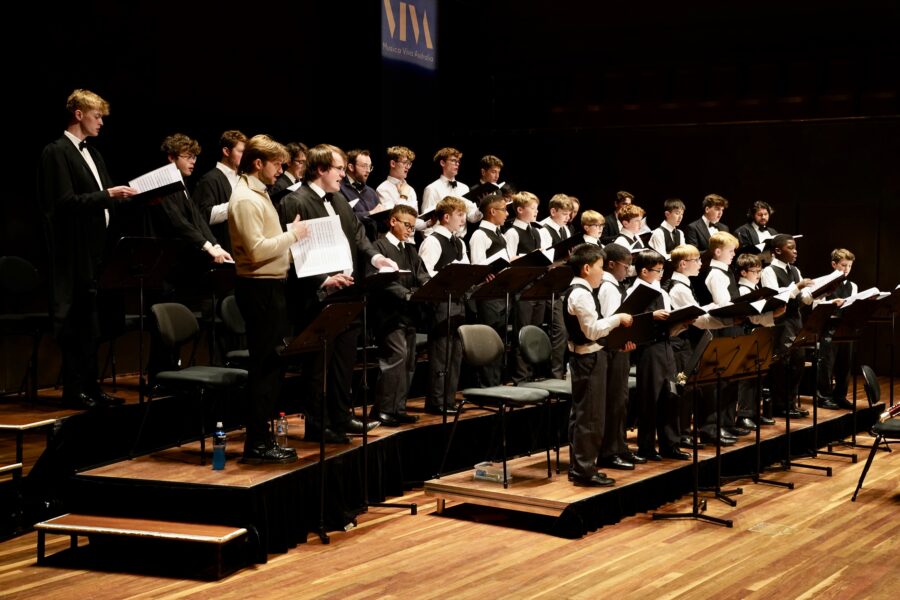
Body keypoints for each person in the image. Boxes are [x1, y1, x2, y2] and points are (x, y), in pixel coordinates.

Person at [281, 144, 397, 442]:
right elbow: (293, 253)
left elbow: (358, 234)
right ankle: (318, 426)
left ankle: (341, 416)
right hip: (317, 296)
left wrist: (376, 258)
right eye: (339, 170)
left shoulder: (340, 200)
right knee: (319, 365)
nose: (343, 176)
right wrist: (324, 279)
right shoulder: (296, 200)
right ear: (320, 169)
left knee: (345, 361)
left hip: (348, 290)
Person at [38, 89, 138, 410]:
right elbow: (63, 203)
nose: (101, 123)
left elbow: (105, 198)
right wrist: (109, 194)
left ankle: (91, 388)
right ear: (79, 114)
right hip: (75, 251)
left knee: (94, 324)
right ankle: (75, 389)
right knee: (79, 323)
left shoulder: (93, 154)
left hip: (100, 250)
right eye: (97, 117)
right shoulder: (56, 152)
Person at [228, 134, 308, 464]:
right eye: (277, 164)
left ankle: (263, 440)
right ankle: (258, 445)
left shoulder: (259, 194)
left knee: (273, 368)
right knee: (265, 370)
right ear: (258, 163)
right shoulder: (246, 199)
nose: (281, 171)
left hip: (272, 288)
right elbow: (257, 249)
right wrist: (293, 235)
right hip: (259, 290)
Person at [563, 243, 634, 487]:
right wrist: (617, 319)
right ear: (586, 268)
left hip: (589, 357)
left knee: (584, 415)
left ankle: (579, 466)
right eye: (600, 268)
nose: (602, 273)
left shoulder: (582, 290)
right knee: (590, 417)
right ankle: (584, 470)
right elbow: (592, 330)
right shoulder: (581, 293)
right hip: (588, 358)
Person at [369, 205, 431, 426]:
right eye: (407, 225)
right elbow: (381, 280)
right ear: (393, 221)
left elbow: (421, 274)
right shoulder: (379, 248)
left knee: (409, 362)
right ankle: (382, 409)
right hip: (388, 314)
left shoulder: (410, 250)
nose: (410, 230)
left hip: (409, 313)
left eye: (413, 227)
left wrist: (427, 287)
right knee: (395, 359)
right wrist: (406, 295)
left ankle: (398, 408)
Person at [627, 249, 690, 461]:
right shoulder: (634, 292)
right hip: (648, 350)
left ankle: (670, 444)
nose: (661, 274)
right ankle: (646, 446)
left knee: (670, 395)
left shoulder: (662, 291)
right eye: (657, 270)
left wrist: (681, 323)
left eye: (663, 269)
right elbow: (629, 322)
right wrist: (651, 316)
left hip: (666, 345)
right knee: (650, 398)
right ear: (644, 270)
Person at [418, 196, 471, 414]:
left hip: (457, 301)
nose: (463, 219)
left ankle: (449, 399)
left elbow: (467, 268)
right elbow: (424, 275)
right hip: (440, 304)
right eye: (459, 215)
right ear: (446, 216)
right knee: (441, 353)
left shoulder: (458, 242)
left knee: (455, 353)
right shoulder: (432, 241)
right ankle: (437, 401)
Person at [596, 243, 642, 469]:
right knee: (614, 401)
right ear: (611, 264)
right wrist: (621, 342)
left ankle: (620, 446)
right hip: (612, 350)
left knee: (621, 400)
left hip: (620, 348)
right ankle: (608, 451)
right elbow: (609, 322)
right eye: (627, 266)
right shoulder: (607, 287)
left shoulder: (615, 285)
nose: (629, 271)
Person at [761, 234, 814, 419]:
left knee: (798, 362)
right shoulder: (768, 271)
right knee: (782, 363)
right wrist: (797, 287)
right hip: (780, 321)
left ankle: (791, 402)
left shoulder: (795, 270)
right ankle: (780, 404)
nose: (795, 251)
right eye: (791, 248)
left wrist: (821, 292)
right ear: (777, 250)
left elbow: (805, 298)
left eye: (795, 248)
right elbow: (776, 299)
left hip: (795, 320)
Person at [468, 193, 511, 386]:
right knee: (489, 339)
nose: (507, 214)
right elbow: (477, 267)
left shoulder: (498, 233)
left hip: (501, 292)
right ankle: (487, 384)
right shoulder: (479, 234)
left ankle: (496, 381)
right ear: (492, 211)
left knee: (500, 339)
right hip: (487, 294)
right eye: (504, 209)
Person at [504, 191, 545, 383]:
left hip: (537, 285)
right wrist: (530, 257)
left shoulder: (535, 231)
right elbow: (509, 259)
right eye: (532, 208)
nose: (536, 212)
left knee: (535, 331)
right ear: (520, 209)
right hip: (522, 286)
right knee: (522, 332)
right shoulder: (512, 232)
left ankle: (531, 373)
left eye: (537, 208)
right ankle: (520, 376)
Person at [816, 248, 858, 410]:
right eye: (843, 265)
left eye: (849, 266)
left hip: (845, 326)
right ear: (834, 265)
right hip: (829, 324)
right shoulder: (825, 282)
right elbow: (815, 303)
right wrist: (831, 304)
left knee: (845, 363)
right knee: (827, 362)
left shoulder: (852, 285)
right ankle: (824, 396)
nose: (846, 269)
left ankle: (840, 395)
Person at [192, 130, 247, 252]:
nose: (245, 156)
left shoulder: (242, 178)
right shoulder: (210, 179)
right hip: (221, 249)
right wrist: (237, 205)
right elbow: (204, 216)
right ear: (226, 151)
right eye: (241, 152)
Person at [539, 194, 574, 379]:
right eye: (564, 213)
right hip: (548, 285)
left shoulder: (565, 231)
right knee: (558, 331)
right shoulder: (544, 230)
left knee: (565, 330)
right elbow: (545, 260)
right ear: (553, 211)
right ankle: (554, 373)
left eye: (569, 214)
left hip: (564, 283)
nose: (567, 217)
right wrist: (561, 259)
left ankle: (560, 371)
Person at [421, 147, 479, 238]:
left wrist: (482, 207)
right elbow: (426, 222)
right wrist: (433, 243)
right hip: (440, 240)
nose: (457, 164)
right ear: (442, 163)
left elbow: (472, 217)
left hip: (460, 240)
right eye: (453, 161)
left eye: (458, 161)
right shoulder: (432, 189)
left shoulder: (464, 188)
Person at [340, 149, 385, 241]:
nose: (368, 170)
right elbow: (343, 218)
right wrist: (370, 213)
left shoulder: (371, 192)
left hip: (372, 245)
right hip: (351, 244)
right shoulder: (338, 188)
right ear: (351, 167)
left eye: (370, 166)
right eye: (364, 166)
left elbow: (380, 225)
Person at [375, 146, 418, 212]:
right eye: (404, 163)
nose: (407, 167)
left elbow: (415, 219)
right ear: (393, 163)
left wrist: (429, 222)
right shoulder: (382, 189)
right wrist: (403, 196)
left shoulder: (410, 189)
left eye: (409, 164)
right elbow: (394, 217)